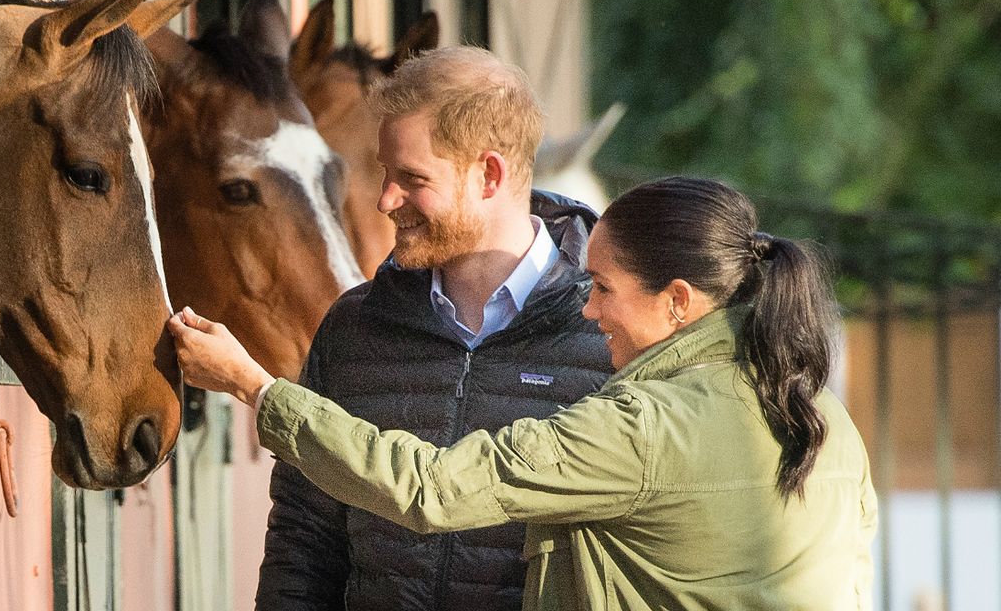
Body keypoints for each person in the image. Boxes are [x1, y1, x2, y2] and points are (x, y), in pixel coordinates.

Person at [169, 176, 878, 610]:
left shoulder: (645, 428)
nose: (589, 310)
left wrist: (254, 386)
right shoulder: (824, 418)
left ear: (678, 302)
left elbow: (434, 488)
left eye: (604, 289)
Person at [243, 46, 613, 610]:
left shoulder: (607, 338)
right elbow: (304, 538)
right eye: (384, 174)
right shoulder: (354, 327)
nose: (385, 200)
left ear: (489, 174)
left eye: (411, 179)